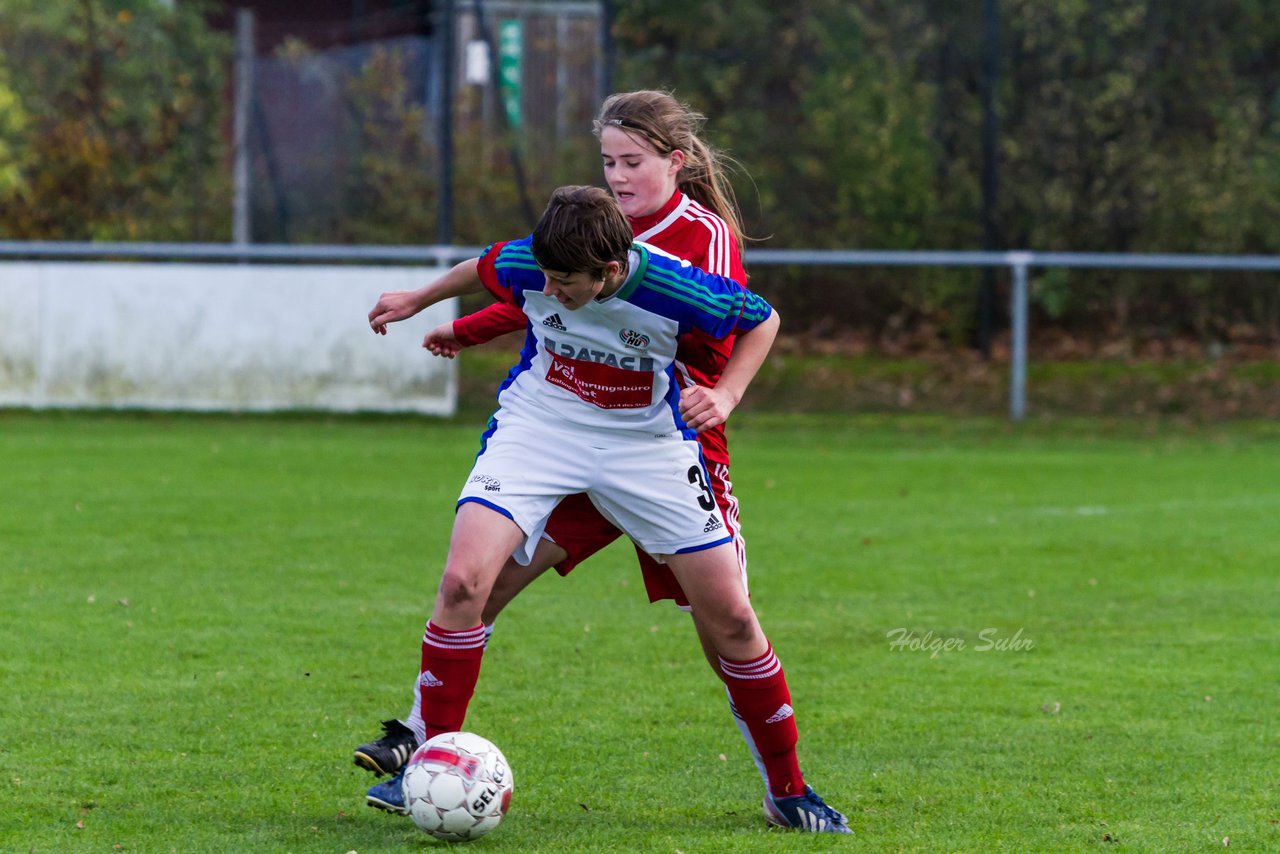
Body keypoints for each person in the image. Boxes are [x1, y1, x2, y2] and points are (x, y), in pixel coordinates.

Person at [363, 185, 849, 832]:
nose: (552, 290)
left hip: (646, 446)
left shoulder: (675, 289)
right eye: (547, 278)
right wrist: (417, 299)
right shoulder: (530, 264)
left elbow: (763, 319)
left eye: (568, 283)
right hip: (541, 428)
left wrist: (727, 396)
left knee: (731, 617)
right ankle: (426, 763)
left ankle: (787, 791)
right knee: (463, 583)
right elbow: (482, 265)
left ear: (612, 272)